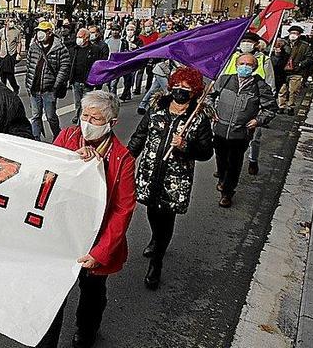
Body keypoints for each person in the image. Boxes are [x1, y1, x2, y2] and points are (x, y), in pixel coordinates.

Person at [37, 91, 135, 348]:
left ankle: (86, 331)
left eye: (96, 118)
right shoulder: (67, 137)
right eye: (85, 116)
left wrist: (100, 252)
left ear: (111, 123)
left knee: (92, 292)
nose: (88, 123)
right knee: (53, 295)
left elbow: (123, 209)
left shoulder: (122, 159)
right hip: (61, 235)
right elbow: (47, 174)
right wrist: (73, 161)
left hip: (95, 240)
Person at [127, 66, 213, 290]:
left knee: (166, 217)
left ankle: (157, 262)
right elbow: (140, 136)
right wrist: (126, 158)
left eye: (186, 87)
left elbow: (206, 152)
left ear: (194, 91)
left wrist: (186, 146)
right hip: (150, 172)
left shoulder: (198, 118)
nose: (180, 90)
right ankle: (156, 238)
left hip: (175, 179)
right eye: (177, 85)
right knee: (151, 211)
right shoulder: (157, 108)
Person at [210, 53, 278, 207]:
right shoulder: (225, 80)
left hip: (241, 133)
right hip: (220, 129)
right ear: (236, 65)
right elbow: (209, 96)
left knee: (234, 164)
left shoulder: (259, 86)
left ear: (254, 67)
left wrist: (258, 120)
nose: (245, 67)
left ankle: (227, 193)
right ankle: (222, 178)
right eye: (242, 64)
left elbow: (271, 108)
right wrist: (211, 111)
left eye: (249, 65)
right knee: (221, 159)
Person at [221, 32, 275, 176]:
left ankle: (252, 160)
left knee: (254, 138)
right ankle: (224, 168)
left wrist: (260, 116)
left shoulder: (264, 59)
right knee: (225, 141)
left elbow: (270, 84)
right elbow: (222, 78)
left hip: (253, 104)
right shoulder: (233, 57)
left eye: (249, 41)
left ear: (255, 44)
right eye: (243, 41)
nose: (246, 44)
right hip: (231, 102)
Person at [25, 21, 70, 141]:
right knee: (36, 116)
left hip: (49, 90)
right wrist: (28, 84)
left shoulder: (60, 48)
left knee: (51, 116)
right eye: (38, 31)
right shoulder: (34, 46)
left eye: (43, 31)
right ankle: (36, 139)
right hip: (34, 89)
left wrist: (55, 85)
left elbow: (64, 68)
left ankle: (58, 136)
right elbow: (29, 65)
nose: (40, 34)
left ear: (50, 32)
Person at [277, 25, 313, 115]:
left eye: (295, 33)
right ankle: (281, 106)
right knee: (282, 90)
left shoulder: (304, 45)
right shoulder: (283, 43)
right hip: (283, 72)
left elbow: (309, 58)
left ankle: (291, 107)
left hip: (297, 71)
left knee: (293, 91)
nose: (293, 35)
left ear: (299, 35)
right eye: (292, 33)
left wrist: (300, 64)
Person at [69, 28, 100, 124]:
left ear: (86, 38)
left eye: (80, 37)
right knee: (78, 103)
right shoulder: (74, 49)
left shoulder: (95, 50)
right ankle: (79, 118)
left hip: (88, 82)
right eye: (77, 37)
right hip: (76, 81)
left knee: (86, 104)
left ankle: (81, 123)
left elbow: (97, 66)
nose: (78, 39)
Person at [0, 17, 23, 93]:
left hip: (11, 55)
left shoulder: (17, 31)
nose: (12, 23)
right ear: (6, 22)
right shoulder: (2, 31)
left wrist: (18, 53)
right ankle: (3, 89)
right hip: (2, 55)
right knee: (2, 74)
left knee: (10, 73)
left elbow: (19, 43)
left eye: (13, 21)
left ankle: (15, 87)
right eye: (10, 21)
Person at [134, 20, 161, 94]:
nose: (147, 28)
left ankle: (148, 88)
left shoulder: (156, 35)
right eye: (146, 26)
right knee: (140, 72)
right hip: (142, 56)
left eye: (149, 26)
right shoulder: (141, 36)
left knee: (150, 72)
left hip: (151, 56)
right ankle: (137, 89)